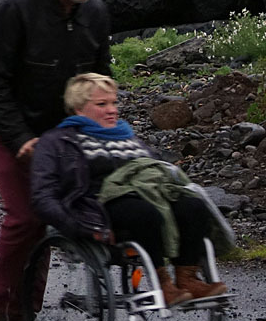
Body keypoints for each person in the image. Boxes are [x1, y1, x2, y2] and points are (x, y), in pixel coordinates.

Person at [0, 0, 114, 321]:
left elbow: (99, 80)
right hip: (8, 125)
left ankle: (26, 312)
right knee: (26, 217)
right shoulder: (15, 8)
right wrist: (20, 138)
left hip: (62, 132)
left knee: (58, 214)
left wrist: (102, 126)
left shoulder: (97, 14)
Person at [30, 73, 231, 308]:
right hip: (97, 207)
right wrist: (79, 225)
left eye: (114, 103)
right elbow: (43, 196)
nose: (112, 110)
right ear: (79, 108)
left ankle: (187, 280)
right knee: (143, 212)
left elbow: (154, 170)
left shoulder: (128, 137)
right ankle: (163, 284)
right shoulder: (57, 142)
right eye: (102, 104)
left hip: (148, 196)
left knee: (193, 206)